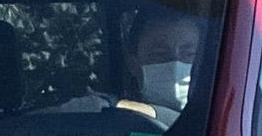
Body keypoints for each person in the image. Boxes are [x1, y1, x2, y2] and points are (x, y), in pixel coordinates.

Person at [44, 8, 204, 126]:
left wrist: (118, 106)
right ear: (133, 64)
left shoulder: (221, 123)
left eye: (188, 54)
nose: (175, 62)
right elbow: (30, 125)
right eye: (160, 54)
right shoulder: (106, 120)